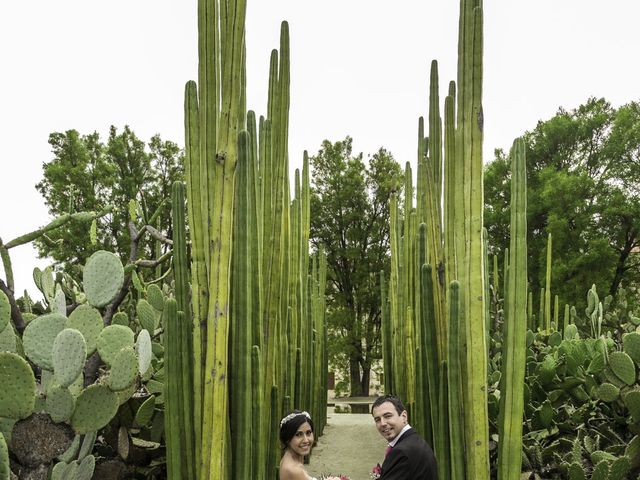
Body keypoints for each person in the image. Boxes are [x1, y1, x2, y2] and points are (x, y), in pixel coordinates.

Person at [371, 395, 438, 479]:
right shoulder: (414, 441)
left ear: (404, 416)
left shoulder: (401, 452)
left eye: (388, 416)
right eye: (377, 420)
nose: (383, 423)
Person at [279, 410, 318, 480]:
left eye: (308, 433)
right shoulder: (295, 470)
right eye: (299, 435)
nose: (306, 440)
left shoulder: (288, 457)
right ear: (288, 438)